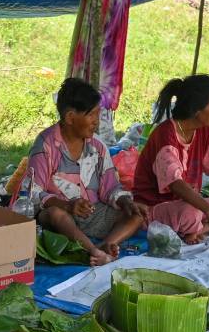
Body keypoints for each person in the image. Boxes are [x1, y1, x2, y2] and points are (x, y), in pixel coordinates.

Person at [25, 77, 147, 266]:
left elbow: (110, 188)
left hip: (92, 213)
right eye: (92, 115)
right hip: (58, 217)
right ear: (70, 118)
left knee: (135, 216)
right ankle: (93, 251)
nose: (96, 122)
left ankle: (107, 245)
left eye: (98, 115)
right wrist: (67, 205)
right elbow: (32, 193)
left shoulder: (98, 147)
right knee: (55, 214)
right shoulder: (46, 145)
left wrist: (125, 201)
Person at [132, 74, 209, 244]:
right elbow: (176, 185)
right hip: (153, 211)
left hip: (188, 206)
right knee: (191, 212)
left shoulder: (205, 131)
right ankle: (199, 227)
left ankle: (200, 229)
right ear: (197, 109)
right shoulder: (165, 135)